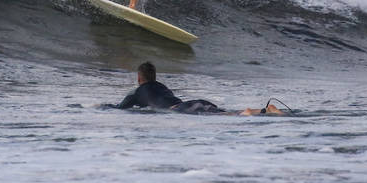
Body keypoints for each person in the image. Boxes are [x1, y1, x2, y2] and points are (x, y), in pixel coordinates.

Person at [116, 62, 287, 116]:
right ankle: (266, 110)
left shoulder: (138, 93)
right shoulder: (162, 87)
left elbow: (119, 108)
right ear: (154, 77)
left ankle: (251, 112)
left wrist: (98, 107)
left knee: (228, 116)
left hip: (184, 108)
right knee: (225, 113)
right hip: (193, 103)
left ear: (139, 78)